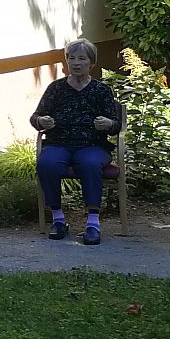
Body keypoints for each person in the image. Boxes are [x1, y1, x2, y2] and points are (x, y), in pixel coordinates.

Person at [30, 39, 121, 245]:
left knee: (89, 164)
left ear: (91, 63)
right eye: (72, 58)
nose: (76, 63)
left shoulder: (101, 90)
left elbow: (116, 125)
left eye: (82, 58)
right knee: (47, 163)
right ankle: (58, 220)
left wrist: (108, 123)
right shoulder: (56, 88)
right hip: (59, 143)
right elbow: (35, 117)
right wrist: (41, 121)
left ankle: (93, 224)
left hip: (92, 144)